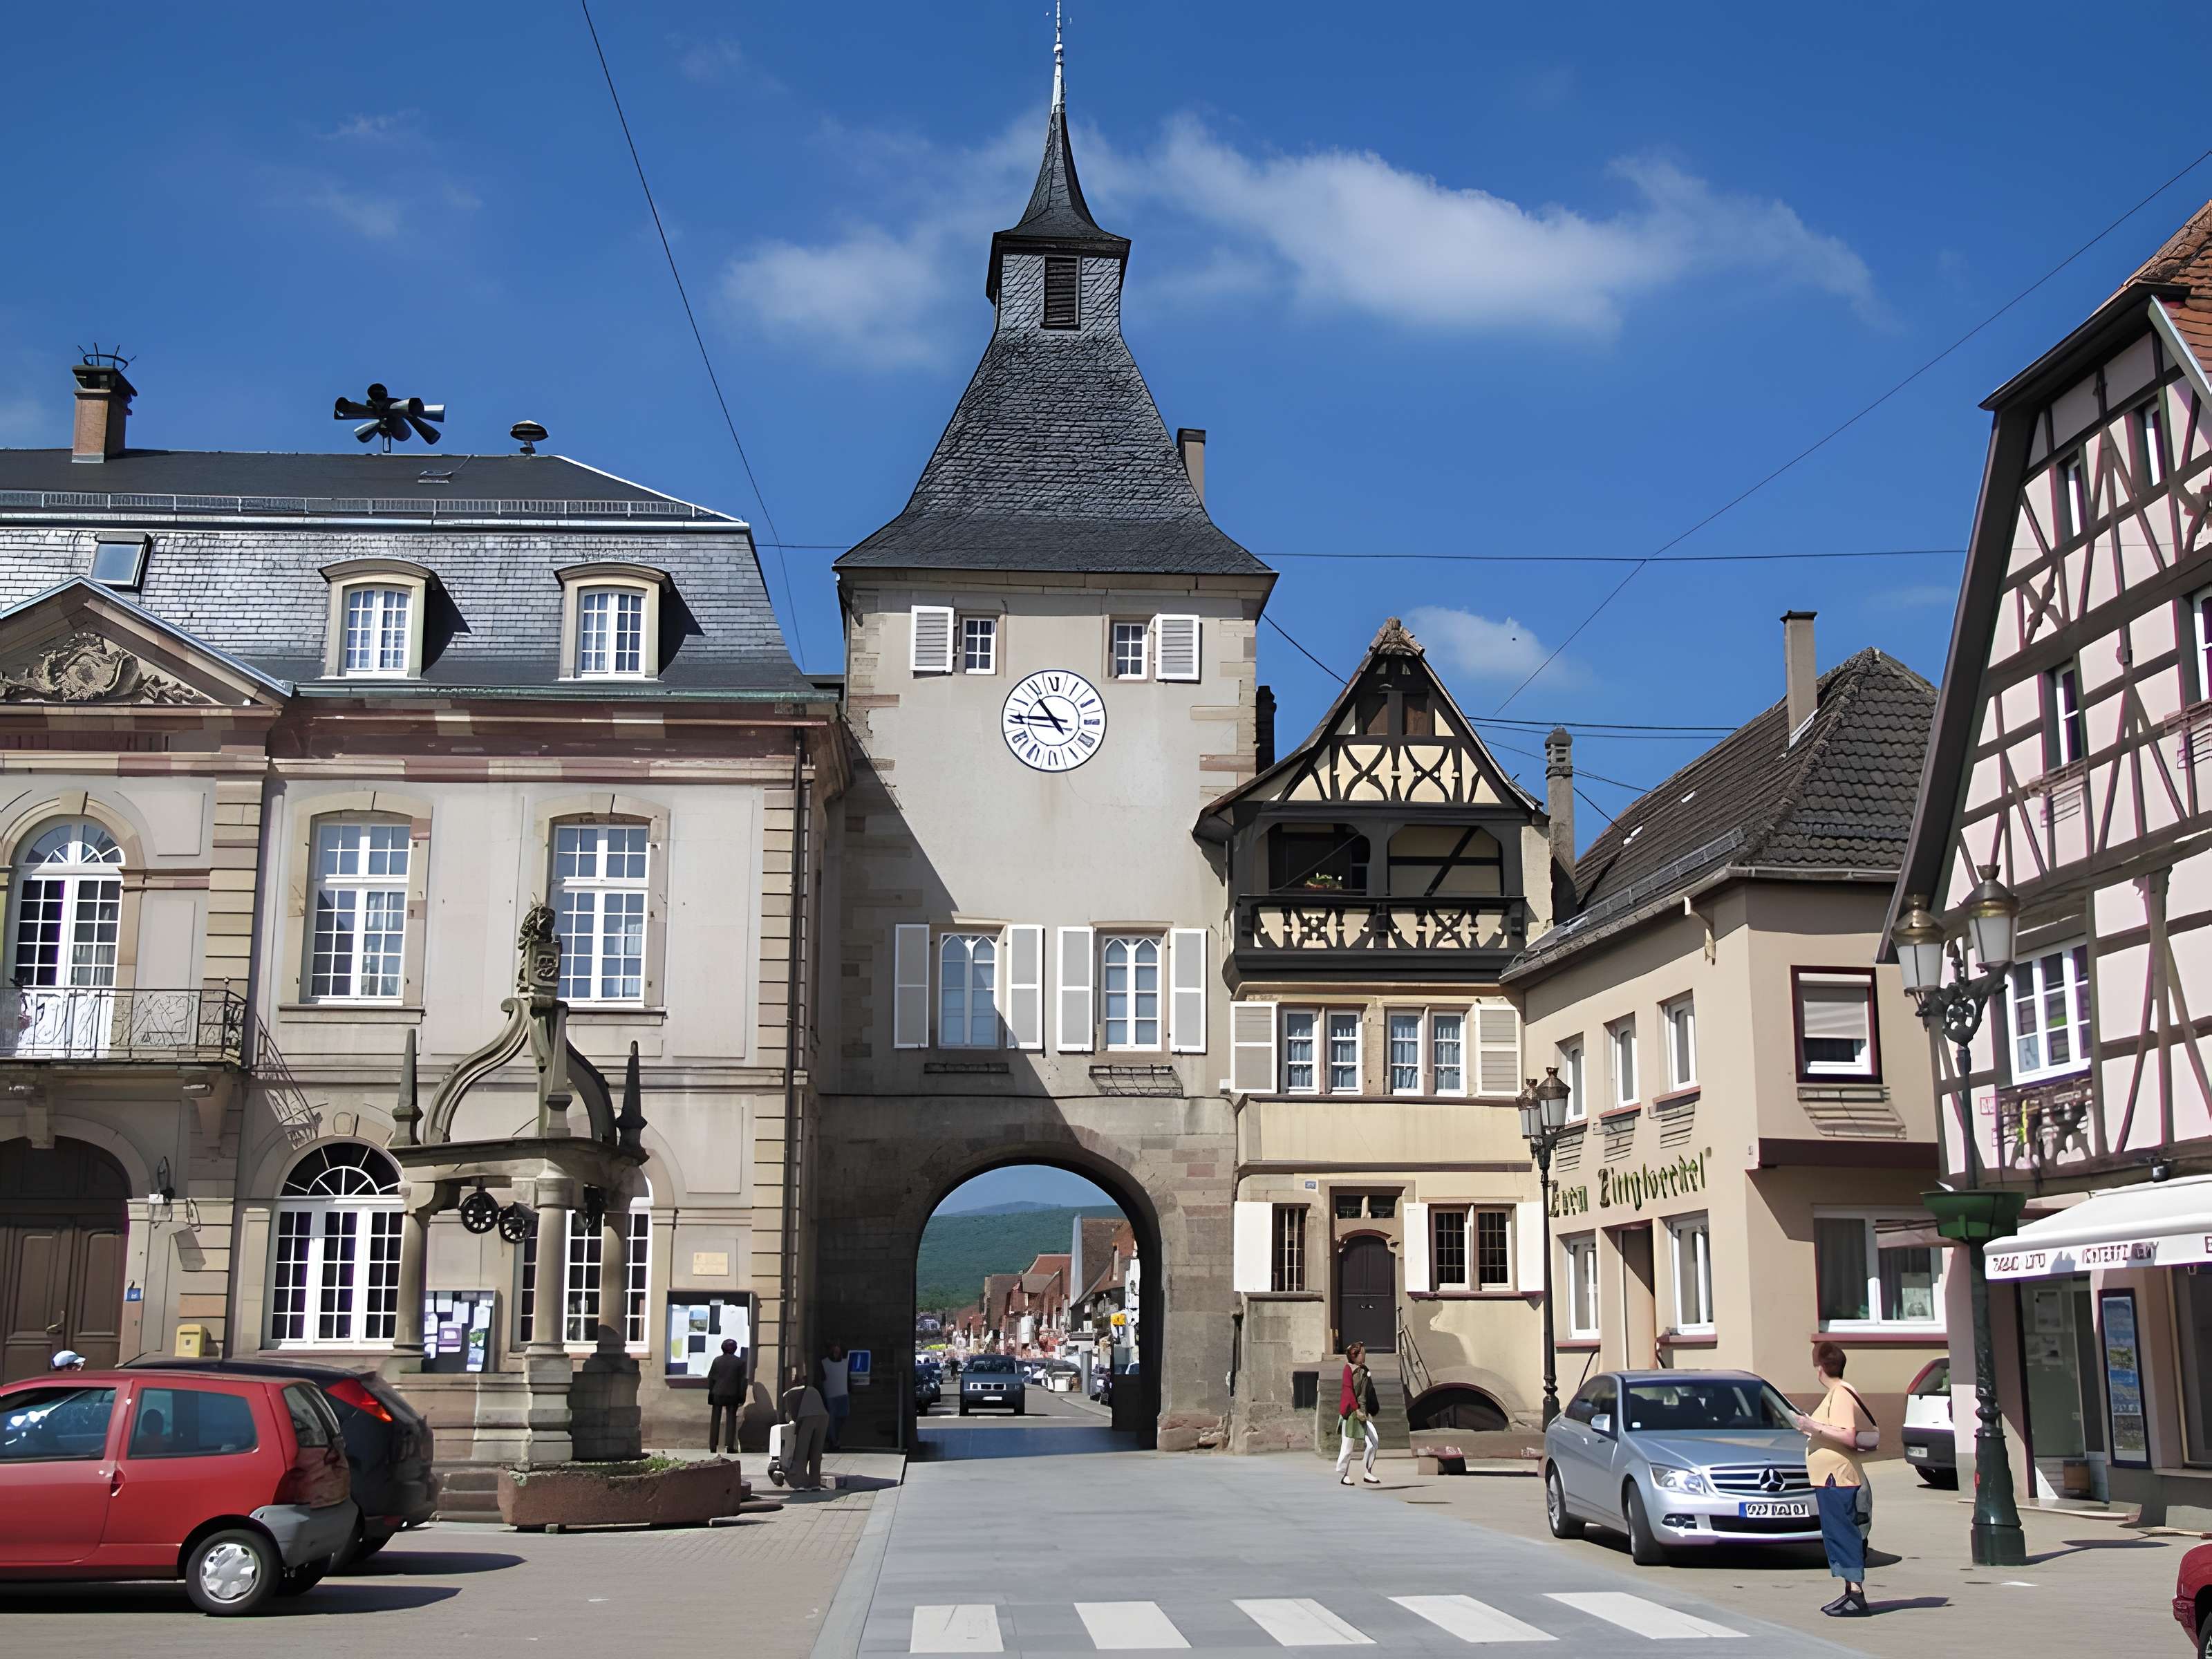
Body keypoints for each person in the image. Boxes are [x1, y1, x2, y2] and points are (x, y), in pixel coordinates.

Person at [1794, 1340, 1879, 1617]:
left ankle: (1856, 1596)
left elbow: (1848, 1435)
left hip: (1838, 1479)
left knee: (1844, 1534)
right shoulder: (1838, 1392)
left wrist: (1812, 1425)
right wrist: (1812, 1430)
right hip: (1832, 1477)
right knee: (1838, 1533)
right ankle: (1850, 1593)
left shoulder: (1840, 1393)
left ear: (1820, 1368)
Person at [1335, 1341, 1382, 1486]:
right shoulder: (1348, 1370)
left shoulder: (1365, 1370)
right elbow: (1348, 1391)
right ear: (1355, 1355)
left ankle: (1368, 1472)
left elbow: (1369, 1391)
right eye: (1363, 1352)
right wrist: (1356, 1410)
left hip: (1364, 1411)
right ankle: (1344, 1474)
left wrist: (1370, 1410)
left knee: (1373, 1442)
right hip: (1350, 1412)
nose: (1365, 1355)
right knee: (1348, 1445)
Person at [780, 1365, 831, 1490]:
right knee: (816, 1452)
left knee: (801, 1451)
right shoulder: (811, 1389)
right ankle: (815, 1483)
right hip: (823, 1417)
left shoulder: (789, 1394)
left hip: (808, 1418)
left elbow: (792, 1416)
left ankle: (800, 1483)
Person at [706, 1338, 745, 1456]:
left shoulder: (717, 1360)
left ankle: (713, 1445)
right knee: (731, 1421)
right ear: (735, 1349)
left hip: (717, 1393)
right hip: (732, 1394)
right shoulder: (740, 1362)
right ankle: (730, 1446)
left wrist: (711, 1392)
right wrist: (741, 1397)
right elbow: (742, 1382)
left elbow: (711, 1378)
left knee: (715, 1420)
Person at [818, 1343, 851, 1450]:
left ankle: (834, 1438)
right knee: (832, 1420)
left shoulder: (845, 1363)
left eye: (838, 1352)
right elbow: (822, 1379)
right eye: (834, 1352)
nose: (836, 1354)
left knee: (843, 1416)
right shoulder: (825, 1363)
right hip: (831, 1395)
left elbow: (847, 1377)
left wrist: (850, 1389)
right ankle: (833, 1441)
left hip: (843, 1394)